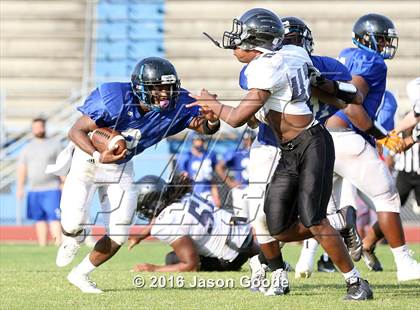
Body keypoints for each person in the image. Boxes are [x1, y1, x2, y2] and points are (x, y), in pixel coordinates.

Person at [189, 8, 372, 300]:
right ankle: (339, 222)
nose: (235, 42)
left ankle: (356, 282)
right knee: (277, 225)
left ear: (258, 42)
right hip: (288, 149)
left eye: (241, 37)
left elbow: (236, 118)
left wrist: (212, 102)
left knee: (313, 219)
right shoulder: (292, 55)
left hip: (313, 143)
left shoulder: (267, 67)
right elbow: (255, 114)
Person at [54, 57, 220, 293]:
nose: (165, 93)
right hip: (88, 161)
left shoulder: (178, 103)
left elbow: (202, 127)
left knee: (119, 233)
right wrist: (96, 155)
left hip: (121, 167)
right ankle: (74, 237)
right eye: (158, 88)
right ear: (141, 88)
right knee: (71, 224)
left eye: (169, 87)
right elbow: (76, 130)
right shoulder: (113, 98)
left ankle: (80, 275)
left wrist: (212, 120)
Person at [325, 13, 420, 281]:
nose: (385, 45)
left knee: (323, 214)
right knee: (387, 196)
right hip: (346, 136)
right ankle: (404, 264)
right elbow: (352, 101)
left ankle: (267, 264)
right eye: (381, 39)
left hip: (323, 137)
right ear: (366, 39)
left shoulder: (346, 54)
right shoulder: (372, 61)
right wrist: (381, 136)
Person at [128, 174, 261, 272]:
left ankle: (260, 259)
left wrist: (153, 268)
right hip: (244, 236)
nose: (142, 209)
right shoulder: (183, 195)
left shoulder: (164, 224)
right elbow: (162, 216)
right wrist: (140, 237)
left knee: (172, 259)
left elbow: (192, 265)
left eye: (143, 205)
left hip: (230, 257)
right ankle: (265, 257)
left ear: (153, 202)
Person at [16, 118, 63, 246]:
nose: (38, 129)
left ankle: (58, 244)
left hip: (52, 188)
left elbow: (62, 165)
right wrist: (20, 187)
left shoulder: (55, 144)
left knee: (54, 218)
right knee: (39, 219)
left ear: (44, 127)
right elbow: (22, 168)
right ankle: (43, 246)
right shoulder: (27, 148)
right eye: (35, 127)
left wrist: (64, 182)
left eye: (40, 126)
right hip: (34, 189)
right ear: (32, 129)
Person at [215, 129, 255, 220]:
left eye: (251, 139)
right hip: (241, 188)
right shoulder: (236, 152)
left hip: (256, 188)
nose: (249, 142)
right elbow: (219, 167)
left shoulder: (258, 152)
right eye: (246, 139)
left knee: (256, 220)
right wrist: (230, 182)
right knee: (241, 219)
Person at [176, 133, 221, 207]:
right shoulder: (186, 156)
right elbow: (183, 177)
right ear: (193, 140)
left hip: (207, 191)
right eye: (198, 139)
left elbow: (212, 178)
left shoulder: (210, 155)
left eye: (202, 139)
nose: (200, 141)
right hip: (192, 191)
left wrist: (216, 195)